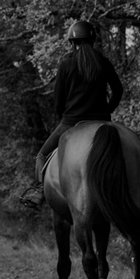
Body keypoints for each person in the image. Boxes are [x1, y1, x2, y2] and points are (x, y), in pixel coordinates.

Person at [20, 21, 123, 209]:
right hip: (102, 121)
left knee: (41, 154)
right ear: (92, 40)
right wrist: (107, 110)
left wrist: (64, 116)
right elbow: (118, 90)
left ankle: (39, 191)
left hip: (72, 122)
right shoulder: (103, 61)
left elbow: (58, 100)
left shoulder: (66, 64)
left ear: (72, 42)